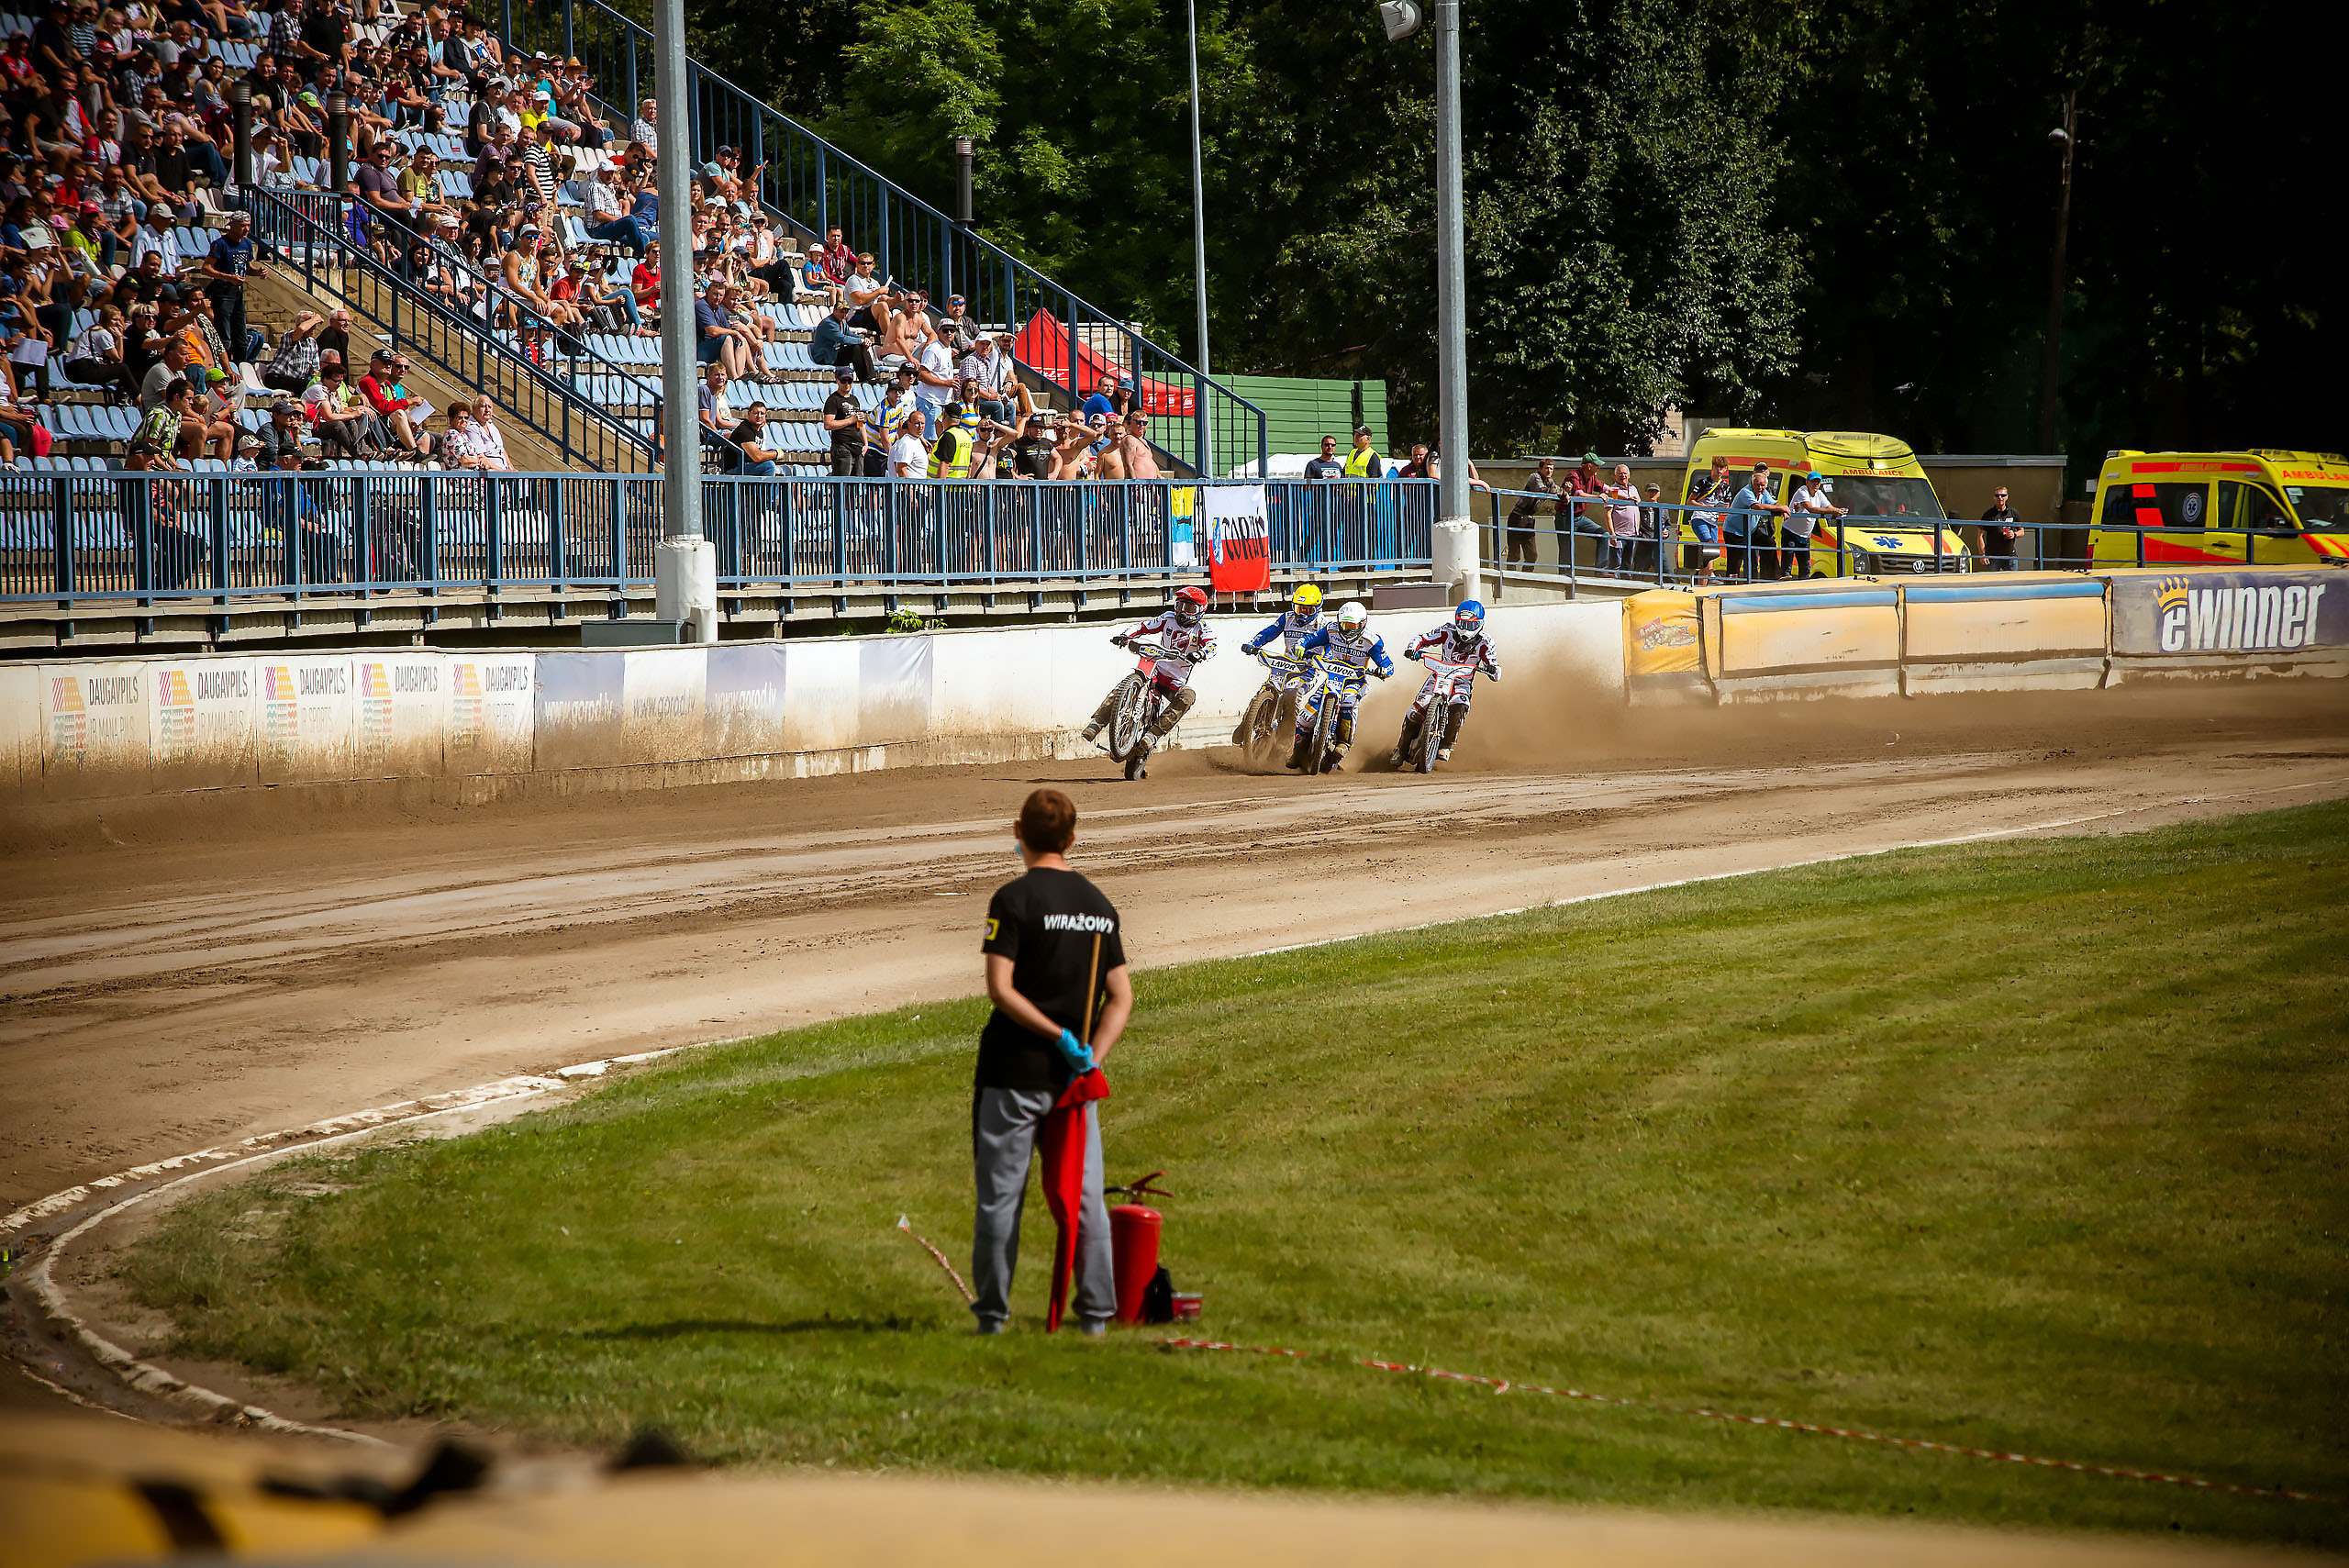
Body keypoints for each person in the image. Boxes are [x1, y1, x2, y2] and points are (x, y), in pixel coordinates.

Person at [972, 786, 1132, 1337]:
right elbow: (1122, 996)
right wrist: (1090, 1055)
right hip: (1073, 1082)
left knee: (1001, 1199)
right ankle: (1095, 1318)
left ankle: (992, 1316)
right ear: (1072, 839)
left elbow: (1000, 989)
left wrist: (1057, 1035)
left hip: (1013, 1073)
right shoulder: (1098, 906)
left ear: (1018, 834)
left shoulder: (1012, 902)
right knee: (1085, 1201)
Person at [1079, 584, 1216, 775]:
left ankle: (1153, 734)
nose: (1182, 612)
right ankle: (1097, 722)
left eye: (1189, 608)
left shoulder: (1203, 629)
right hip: (1155, 669)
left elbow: (1212, 645)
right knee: (1125, 684)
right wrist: (1125, 635)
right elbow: (1143, 626)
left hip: (1174, 681)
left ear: (1201, 611)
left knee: (1188, 695)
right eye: (1180, 606)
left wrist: (1200, 654)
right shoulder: (1168, 618)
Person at [1392, 598, 1500, 764]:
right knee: (1414, 711)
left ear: (1480, 624)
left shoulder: (1486, 642)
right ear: (1456, 621)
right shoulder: (1447, 630)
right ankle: (1400, 748)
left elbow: (1495, 667)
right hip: (1439, 676)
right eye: (1462, 624)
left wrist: (1492, 669)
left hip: (1461, 683)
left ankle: (1446, 746)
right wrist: (1412, 649)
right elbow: (1423, 638)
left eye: (1470, 626)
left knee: (1461, 705)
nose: (1465, 630)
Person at [1288, 598, 1390, 772]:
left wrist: (1383, 670)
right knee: (1305, 716)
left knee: (1348, 703)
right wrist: (1300, 644)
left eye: (1352, 626)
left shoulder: (1372, 640)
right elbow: (1310, 639)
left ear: (1363, 624)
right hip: (1332, 678)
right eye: (1344, 624)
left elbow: (1387, 664)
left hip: (1355, 681)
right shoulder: (1331, 629)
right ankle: (1298, 752)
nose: (1347, 630)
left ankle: (1344, 742)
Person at [1234, 583, 1325, 740]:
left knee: (1292, 695)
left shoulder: (1323, 624)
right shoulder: (1287, 617)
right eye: (1299, 609)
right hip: (1286, 665)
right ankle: (1247, 722)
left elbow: (1330, 647)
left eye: (1307, 610)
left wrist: (1321, 658)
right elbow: (1270, 632)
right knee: (1266, 688)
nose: (1302, 614)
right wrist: (1253, 644)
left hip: (1308, 670)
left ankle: (1286, 737)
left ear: (1317, 609)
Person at [1784, 471, 1845, 580]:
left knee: (1805, 565)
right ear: (1807, 482)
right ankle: (1784, 583)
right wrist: (1832, 512)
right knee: (1787, 562)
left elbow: (1829, 506)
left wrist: (1837, 510)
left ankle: (1803, 588)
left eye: (1818, 482)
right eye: (1813, 482)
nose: (1815, 484)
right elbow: (1811, 509)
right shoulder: (1802, 491)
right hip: (1791, 531)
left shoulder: (1819, 494)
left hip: (1805, 535)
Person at [1684, 453, 1735, 582]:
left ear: (1725, 469)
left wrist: (1722, 509)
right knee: (1709, 545)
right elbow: (1690, 502)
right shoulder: (1703, 483)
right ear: (1713, 467)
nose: (1719, 470)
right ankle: (1711, 575)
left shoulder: (1726, 487)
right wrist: (1705, 507)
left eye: (1722, 467)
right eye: (1717, 467)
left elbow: (1727, 507)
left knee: (1709, 552)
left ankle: (1702, 585)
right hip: (1700, 518)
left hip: (1713, 521)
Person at [1506, 457, 1555, 567]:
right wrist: (1557, 492)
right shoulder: (1535, 477)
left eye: (1551, 469)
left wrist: (1565, 493)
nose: (1549, 471)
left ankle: (1525, 579)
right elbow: (1540, 489)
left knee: (1532, 555)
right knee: (1514, 554)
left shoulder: (1549, 481)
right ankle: (1510, 579)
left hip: (1529, 519)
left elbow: (1556, 492)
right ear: (1540, 468)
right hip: (1517, 517)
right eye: (1547, 468)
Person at [821, 363, 865, 477]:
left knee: (857, 482)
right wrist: (850, 420)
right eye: (843, 381)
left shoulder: (854, 399)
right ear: (837, 381)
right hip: (842, 445)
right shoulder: (833, 400)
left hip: (857, 445)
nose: (847, 384)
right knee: (843, 480)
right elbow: (828, 424)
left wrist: (866, 443)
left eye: (849, 381)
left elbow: (860, 423)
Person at [1598, 463, 1642, 575]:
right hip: (1619, 535)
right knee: (1615, 565)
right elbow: (1608, 514)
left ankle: (1626, 586)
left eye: (1625, 473)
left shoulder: (1634, 489)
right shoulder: (1613, 491)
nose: (1623, 475)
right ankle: (1612, 589)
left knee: (1627, 565)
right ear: (1615, 475)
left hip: (1633, 534)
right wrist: (1612, 534)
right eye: (1620, 473)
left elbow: (1637, 509)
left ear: (1629, 475)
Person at [1979, 484, 2021, 571]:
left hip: (2010, 556)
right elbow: (1980, 535)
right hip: (1993, 557)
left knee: (2013, 582)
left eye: (2003, 495)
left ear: (2007, 497)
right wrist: (1982, 554)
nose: (2000, 497)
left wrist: (2014, 534)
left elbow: (2022, 531)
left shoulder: (2013, 513)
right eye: (1997, 495)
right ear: (1994, 497)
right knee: (1992, 582)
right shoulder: (1988, 514)